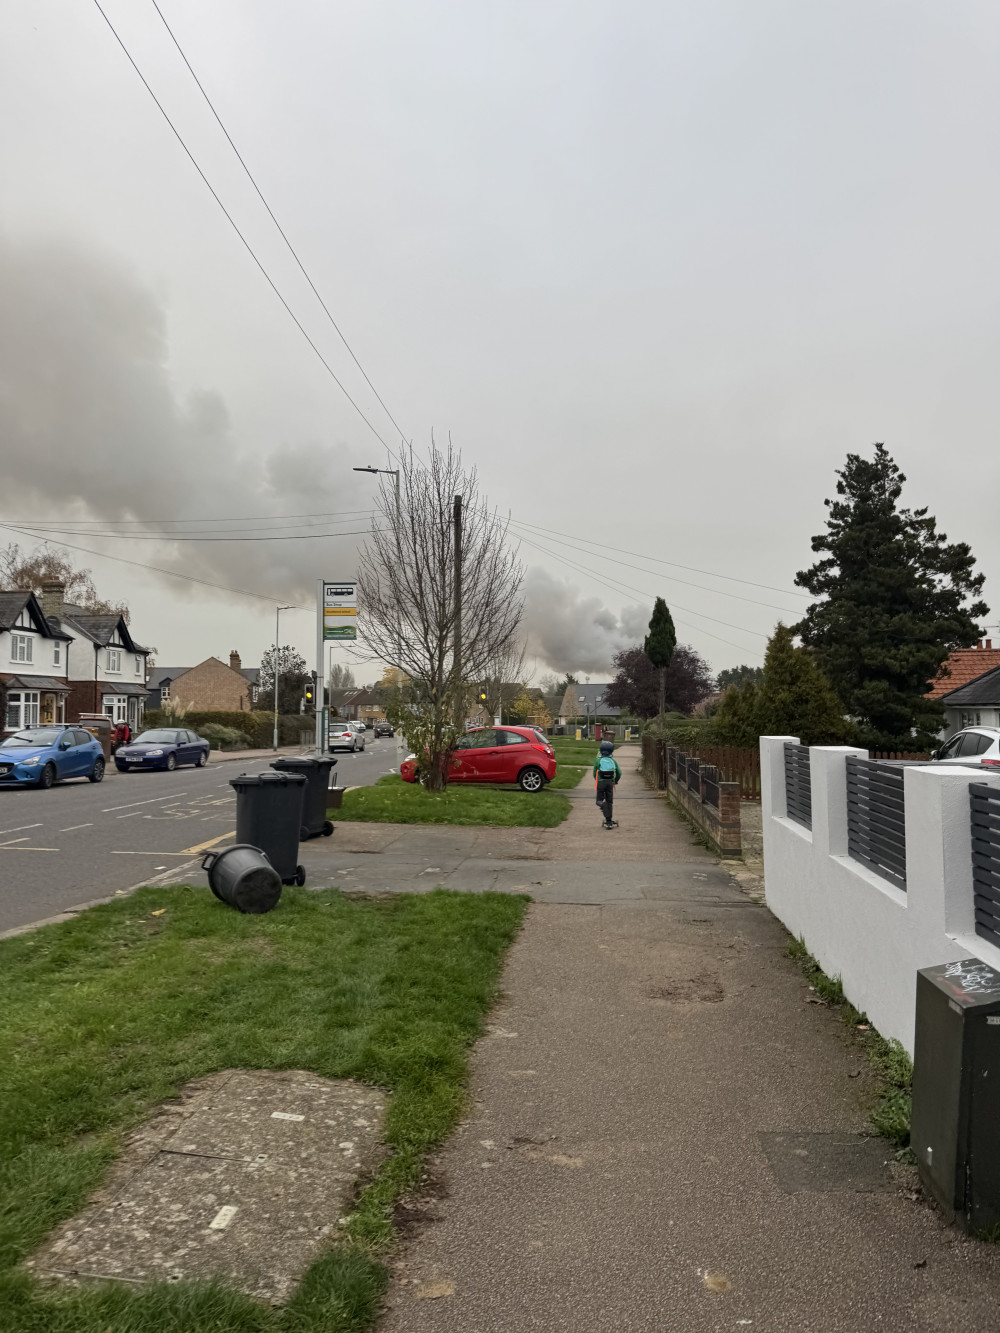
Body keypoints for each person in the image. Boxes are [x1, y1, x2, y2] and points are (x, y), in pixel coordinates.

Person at [592, 739, 621, 829]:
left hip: (601, 782)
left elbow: (594, 773)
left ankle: (602, 805)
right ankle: (609, 821)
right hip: (609, 783)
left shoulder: (598, 761)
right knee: (609, 802)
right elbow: (619, 773)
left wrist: (597, 779)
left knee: (599, 801)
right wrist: (615, 780)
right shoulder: (613, 761)